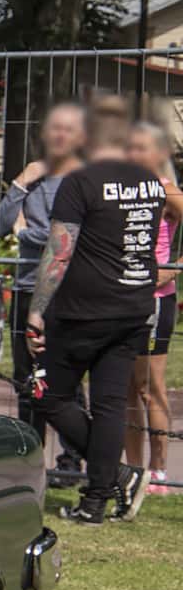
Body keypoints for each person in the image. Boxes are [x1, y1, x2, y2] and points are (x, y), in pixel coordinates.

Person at [26, 104, 158, 523]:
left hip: (84, 310)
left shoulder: (79, 183)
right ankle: (96, 501)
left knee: (47, 394)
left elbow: (59, 252)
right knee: (110, 405)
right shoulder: (151, 183)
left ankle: (115, 473)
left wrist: (36, 309)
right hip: (134, 305)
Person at [0, 102, 86, 447]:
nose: (59, 136)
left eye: (67, 129)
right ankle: (32, 451)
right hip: (26, 287)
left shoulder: (83, 181)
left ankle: (72, 458)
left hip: (66, 291)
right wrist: (21, 182)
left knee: (67, 377)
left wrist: (24, 233)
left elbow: (65, 239)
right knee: (24, 378)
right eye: (53, 129)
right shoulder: (32, 179)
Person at [125, 120, 180, 494]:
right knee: (125, 389)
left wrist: (174, 266)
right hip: (121, 298)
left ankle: (159, 470)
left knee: (151, 388)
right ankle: (133, 469)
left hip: (156, 301)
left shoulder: (168, 192)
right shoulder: (123, 191)